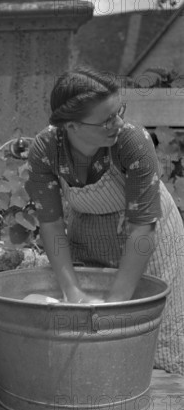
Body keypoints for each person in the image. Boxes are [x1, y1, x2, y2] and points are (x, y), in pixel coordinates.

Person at [25, 67, 184, 375]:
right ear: (71, 125)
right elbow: (52, 224)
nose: (119, 122)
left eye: (119, 111)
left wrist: (117, 305)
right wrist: (72, 290)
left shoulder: (132, 142)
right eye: (107, 119)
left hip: (151, 235)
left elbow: (142, 229)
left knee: (156, 336)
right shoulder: (46, 150)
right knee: (86, 339)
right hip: (90, 234)